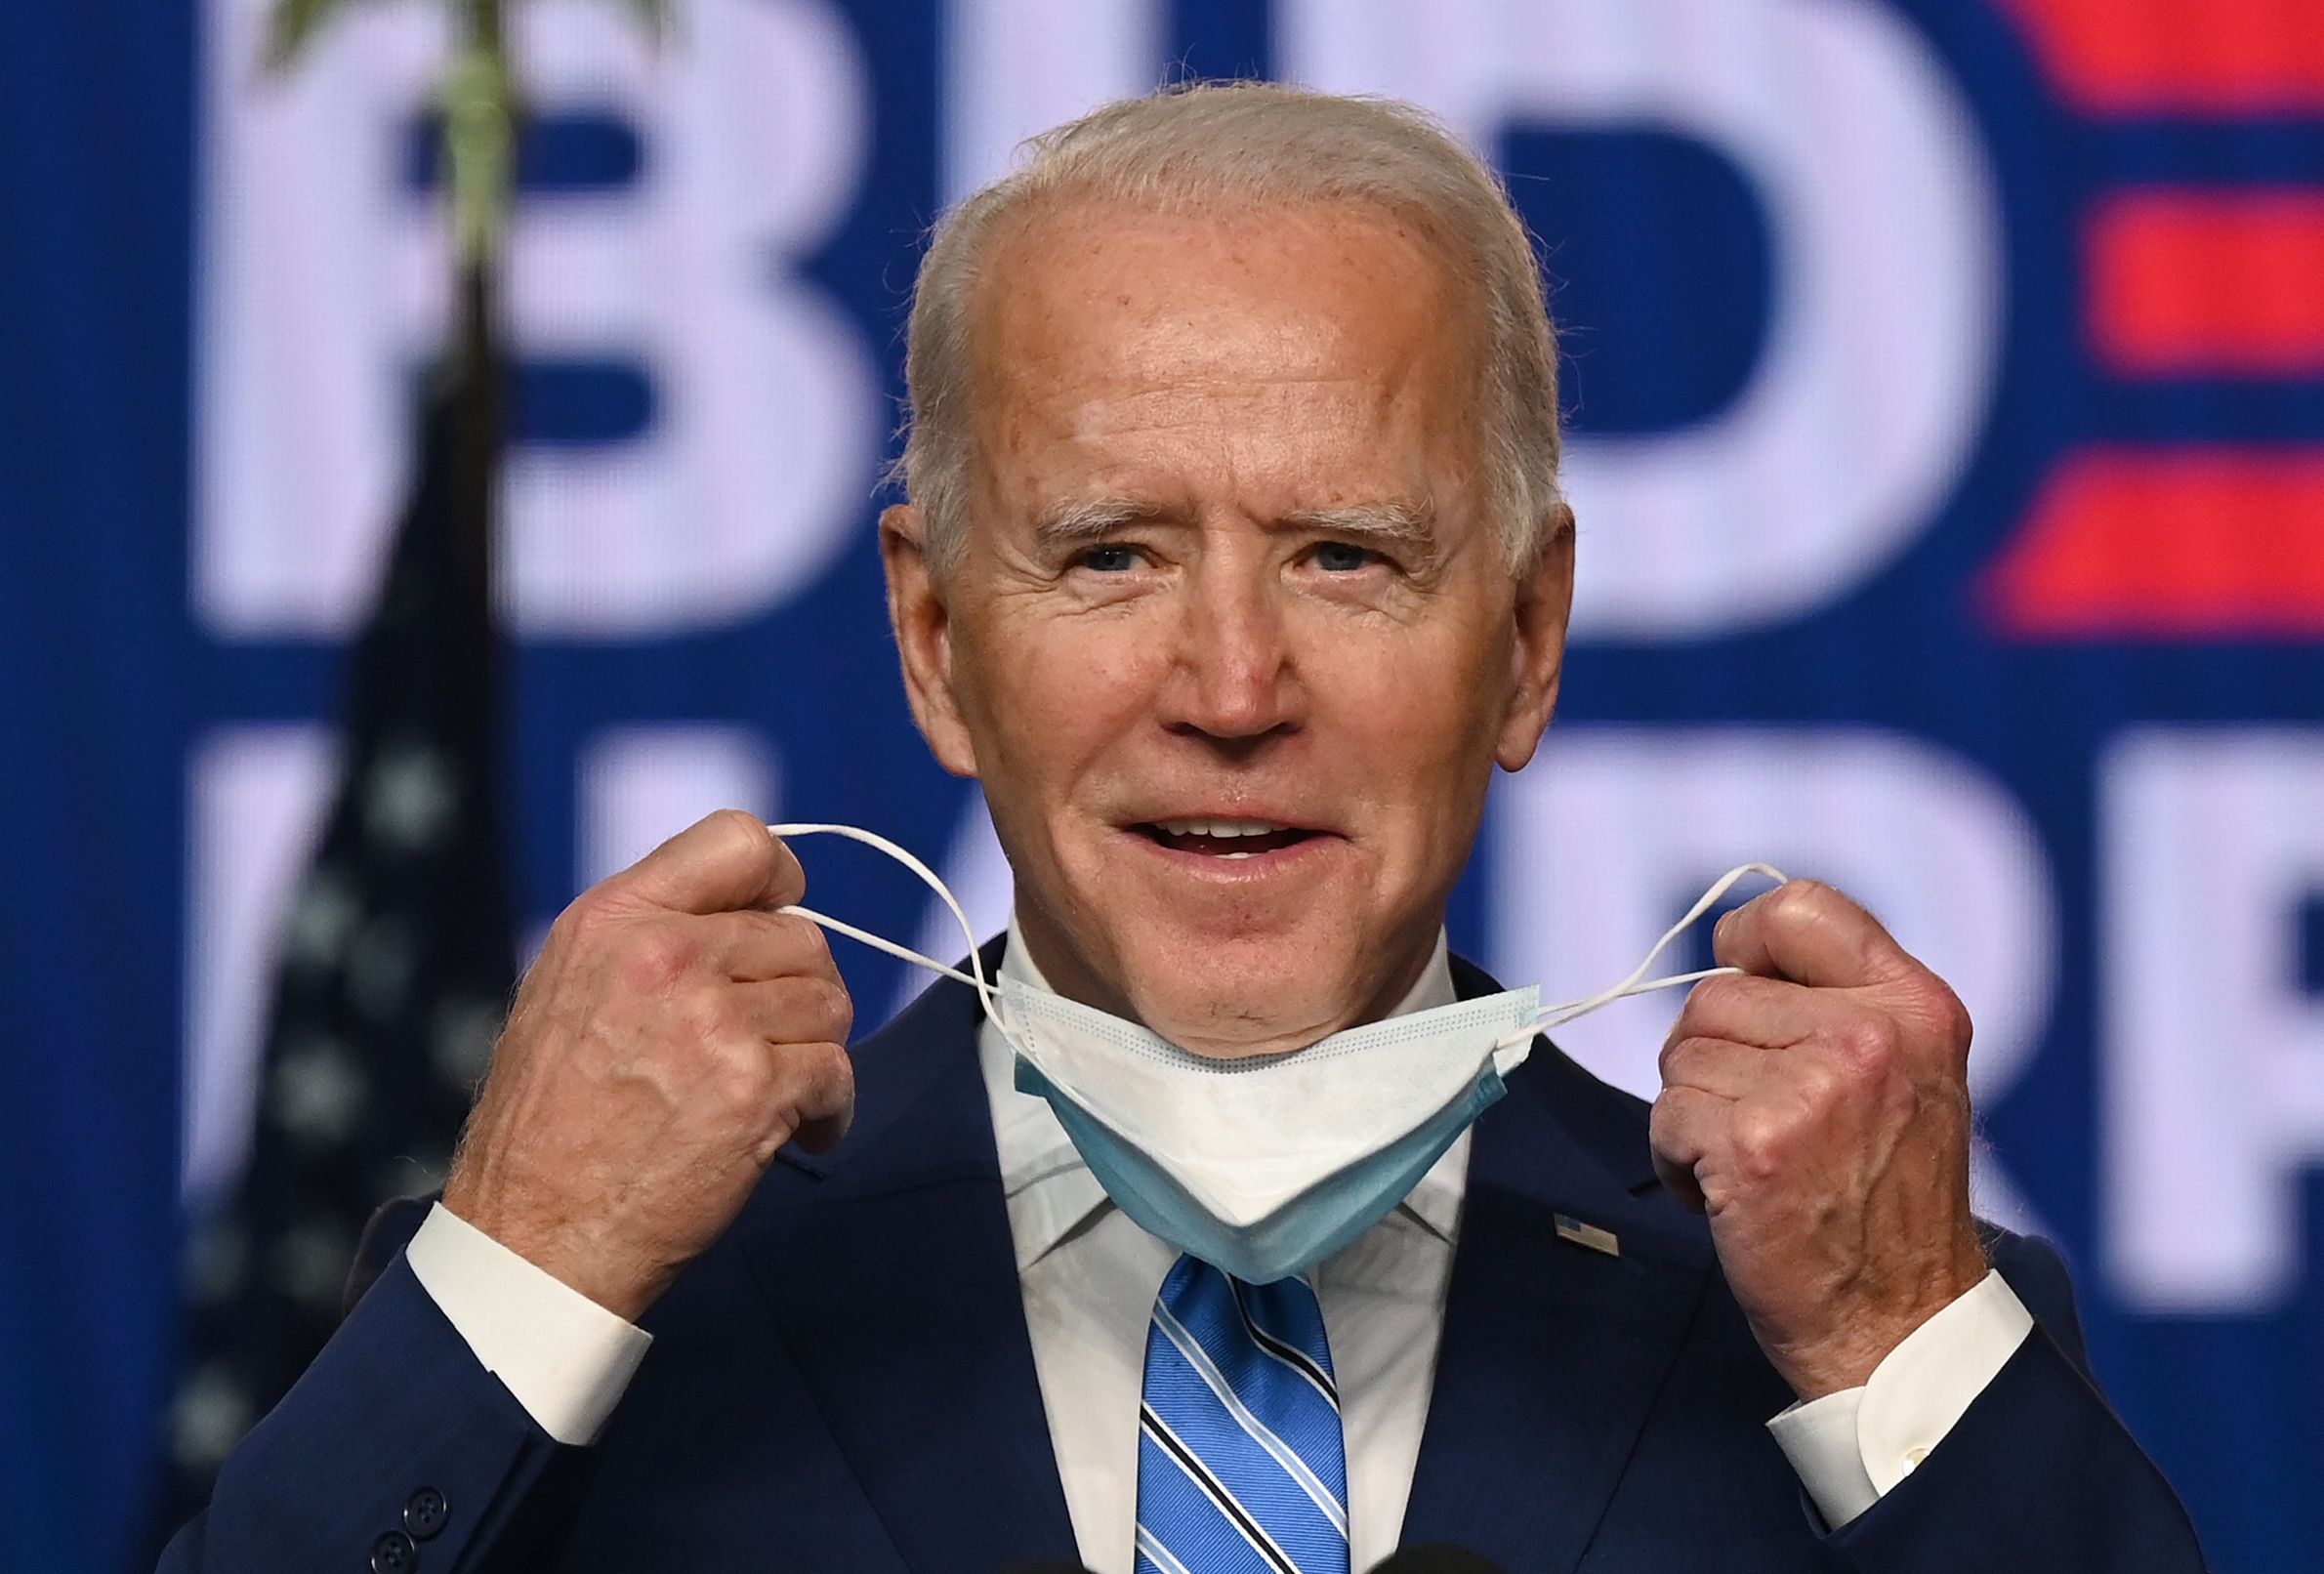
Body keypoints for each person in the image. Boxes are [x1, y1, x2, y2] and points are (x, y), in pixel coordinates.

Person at [161, 83, 2205, 1573]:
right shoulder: (603, 1304)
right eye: (1112, 554)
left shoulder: (1851, 1312)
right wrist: (523, 1275)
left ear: (1521, 640)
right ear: (938, 638)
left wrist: (1881, 1344)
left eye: (1342, 555)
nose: (1229, 687)